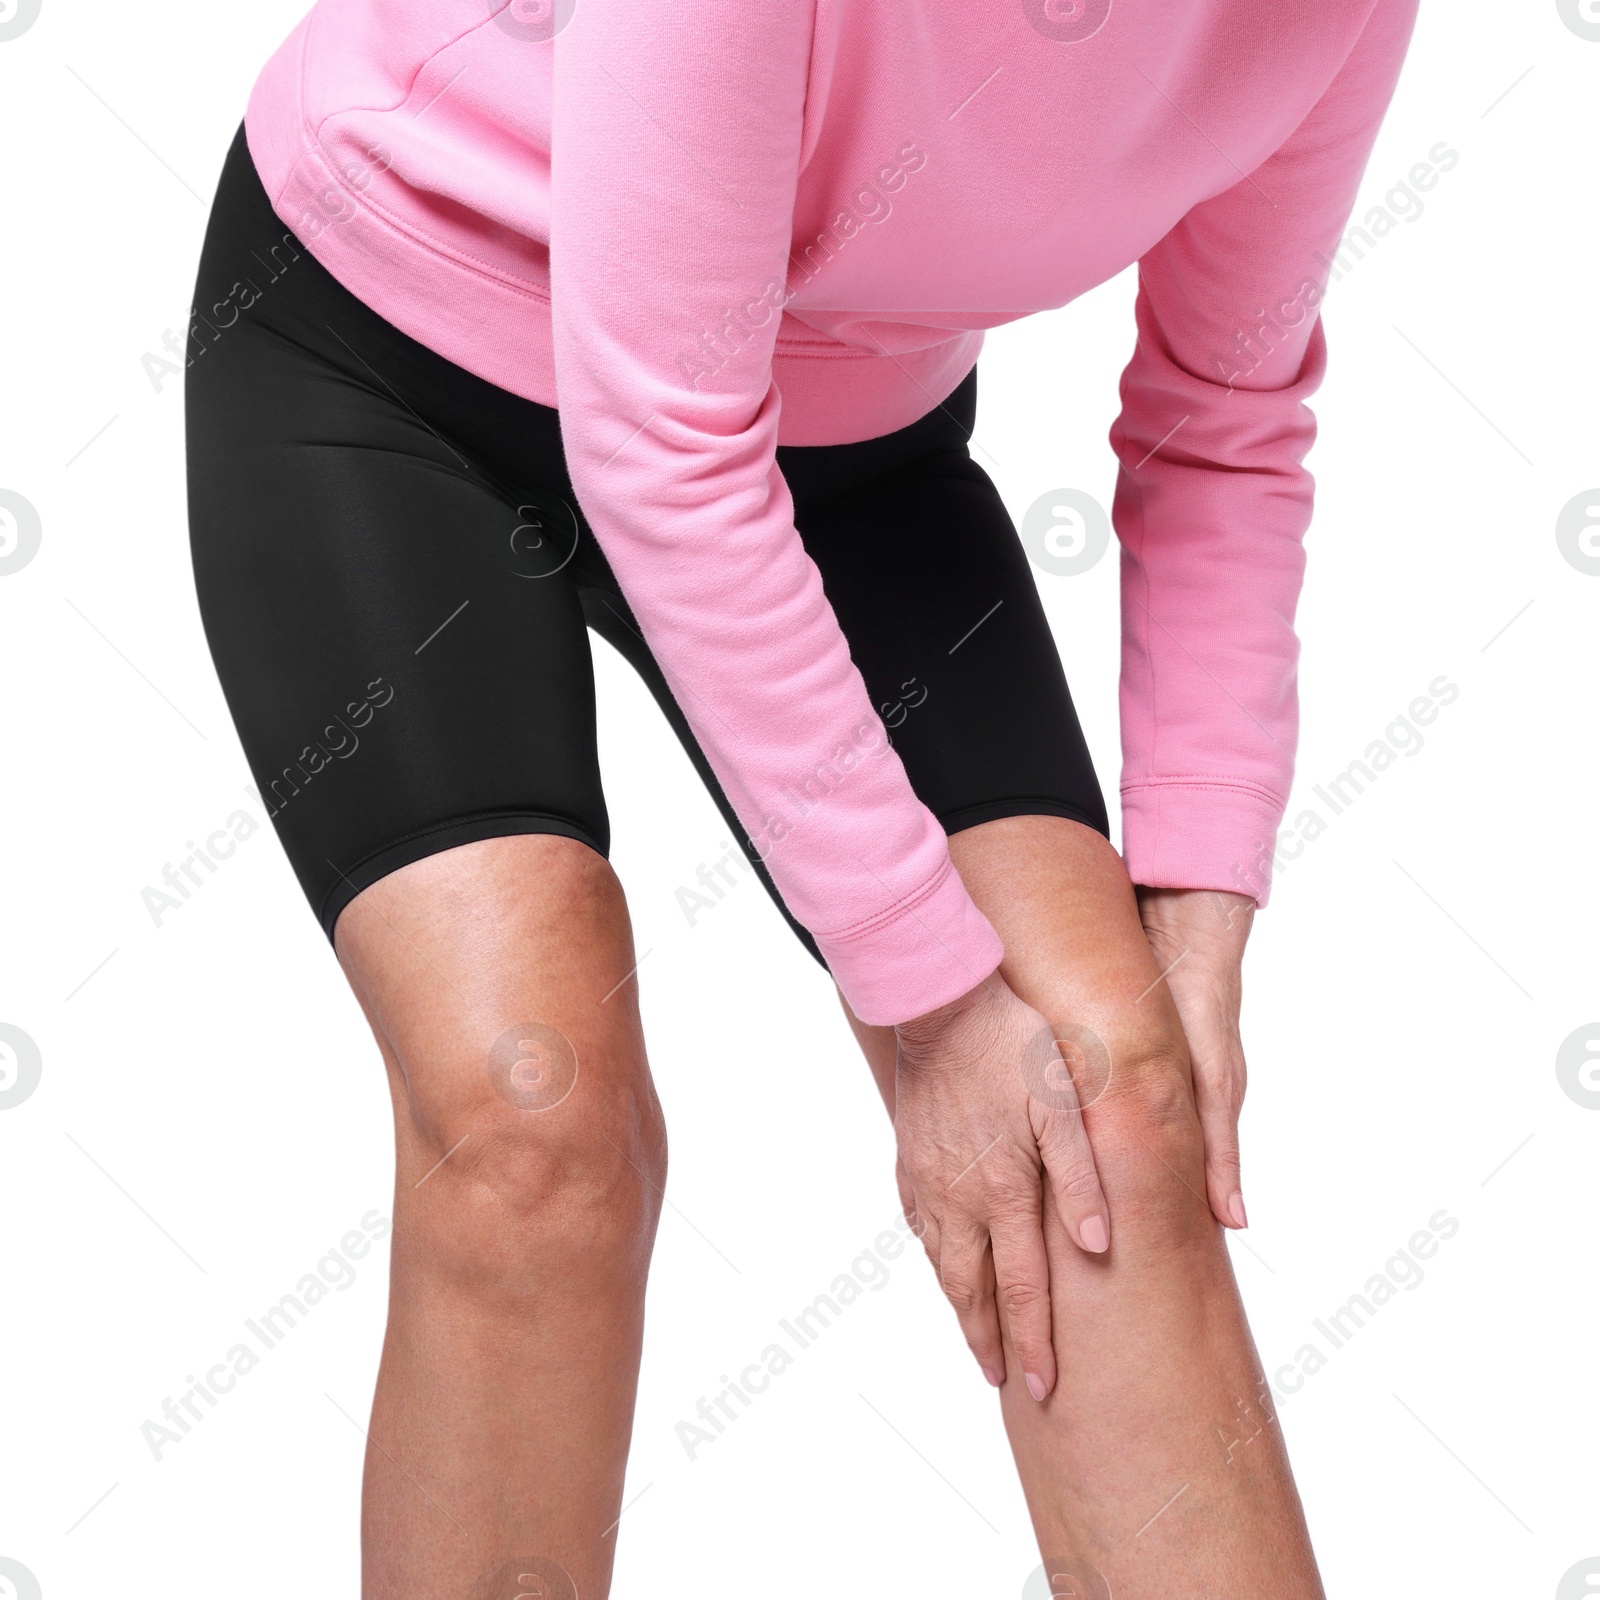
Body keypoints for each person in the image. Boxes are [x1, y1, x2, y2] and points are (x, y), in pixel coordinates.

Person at [184, 0, 1418, 1592]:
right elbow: (663, 448)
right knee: (533, 1121)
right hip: (397, 355)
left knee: (1106, 1111)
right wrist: (932, 998)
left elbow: (1227, 418)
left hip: (831, 436)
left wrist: (1199, 885)